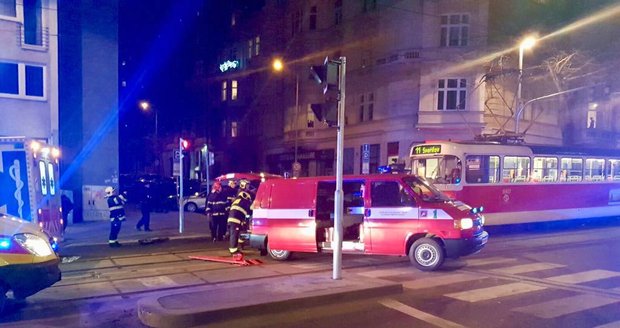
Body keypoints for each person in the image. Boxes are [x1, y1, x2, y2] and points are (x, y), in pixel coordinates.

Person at [227, 179, 253, 260]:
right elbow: (249, 209)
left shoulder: (239, 198)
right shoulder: (244, 197)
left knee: (238, 233)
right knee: (234, 234)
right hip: (235, 219)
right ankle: (233, 250)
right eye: (247, 185)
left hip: (236, 219)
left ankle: (240, 246)